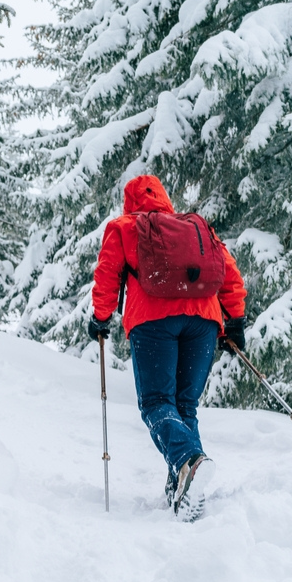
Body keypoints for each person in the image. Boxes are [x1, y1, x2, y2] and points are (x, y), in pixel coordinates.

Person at [86, 174, 247, 521]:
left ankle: (190, 460)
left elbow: (107, 274)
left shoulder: (125, 227)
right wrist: (235, 319)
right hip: (203, 321)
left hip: (153, 320)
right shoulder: (196, 227)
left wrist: (100, 317)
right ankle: (183, 488)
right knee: (184, 404)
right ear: (163, 198)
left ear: (130, 201)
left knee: (157, 402)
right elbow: (229, 273)